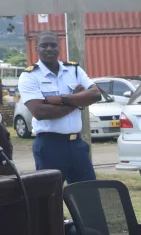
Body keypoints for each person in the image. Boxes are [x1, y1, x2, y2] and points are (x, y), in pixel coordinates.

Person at [17, 31, 102, 184]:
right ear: (36, 49)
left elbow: (96, 94)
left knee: (88, 193)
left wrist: (62, 99)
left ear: (59, 48)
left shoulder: (74, 70)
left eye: (53, 45)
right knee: (49, 195)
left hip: (77, 145)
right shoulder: (29, 75)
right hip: (49, 146)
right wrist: (77, 101)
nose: (49, 49)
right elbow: (40, 112)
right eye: (44, 46)